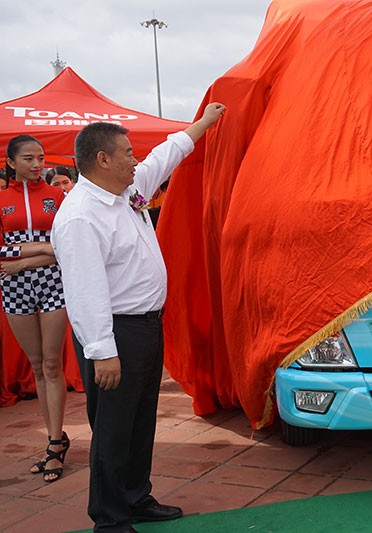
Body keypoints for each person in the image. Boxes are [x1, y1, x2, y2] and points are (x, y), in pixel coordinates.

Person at [52, 102, 225, 532]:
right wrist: (102, 352)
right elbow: (85, 290)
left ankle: (135, 496)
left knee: (140, 418)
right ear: (102, 159)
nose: (136, 159)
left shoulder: (125, 192)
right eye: (128, 152)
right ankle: (109, 518)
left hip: (145, 325)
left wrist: (204, 122)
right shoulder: (80, 216)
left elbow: (167, 154)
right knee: (112, 428)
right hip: (114, 332)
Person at [1, 135, 70, 482]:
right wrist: (40, 251)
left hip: (53, 282)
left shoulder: (57, 196)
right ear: (11, 162)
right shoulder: (1, 200)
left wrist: (22, 258)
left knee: (53, 362)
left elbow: (66, 246)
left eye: (40, 158)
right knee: (38, 365)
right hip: (13, 287)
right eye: (28, 158)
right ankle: (52, 437)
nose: (37, 164)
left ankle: (56, 444)